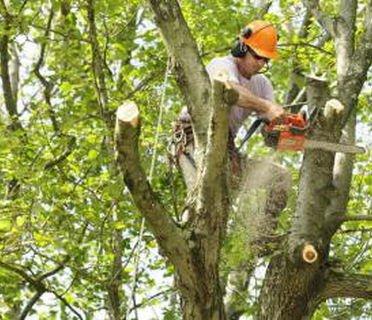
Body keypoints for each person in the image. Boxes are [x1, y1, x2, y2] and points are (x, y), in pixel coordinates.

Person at [173, 20, 287, 187]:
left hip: (227, 147)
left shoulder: (262, 84)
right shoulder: (221, 65)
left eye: (266, 60)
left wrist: (281, 127)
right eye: (257, 56)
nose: (261, 63)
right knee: (204, 198)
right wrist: (268, 107)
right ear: (241, 48)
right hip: (195, 138)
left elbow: (269, 123)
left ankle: (262, 215)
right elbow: (232, 93)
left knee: (281, 177)